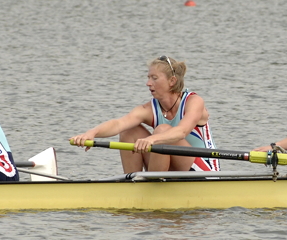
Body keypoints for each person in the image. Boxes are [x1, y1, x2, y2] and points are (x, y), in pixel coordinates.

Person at [69, 55, 219, 173]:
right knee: (129, 130)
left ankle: (153, 187)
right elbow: (119, 124)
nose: (148, 83)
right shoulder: (149, 109)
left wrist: (153, 138)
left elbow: (181, 132)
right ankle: (133, 185)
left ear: (172, 81)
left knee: (162, 130)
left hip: (202, 169)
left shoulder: (194, 101)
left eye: (154, 78)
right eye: (148, 78)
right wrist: (92, 133)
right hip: (169, 166)